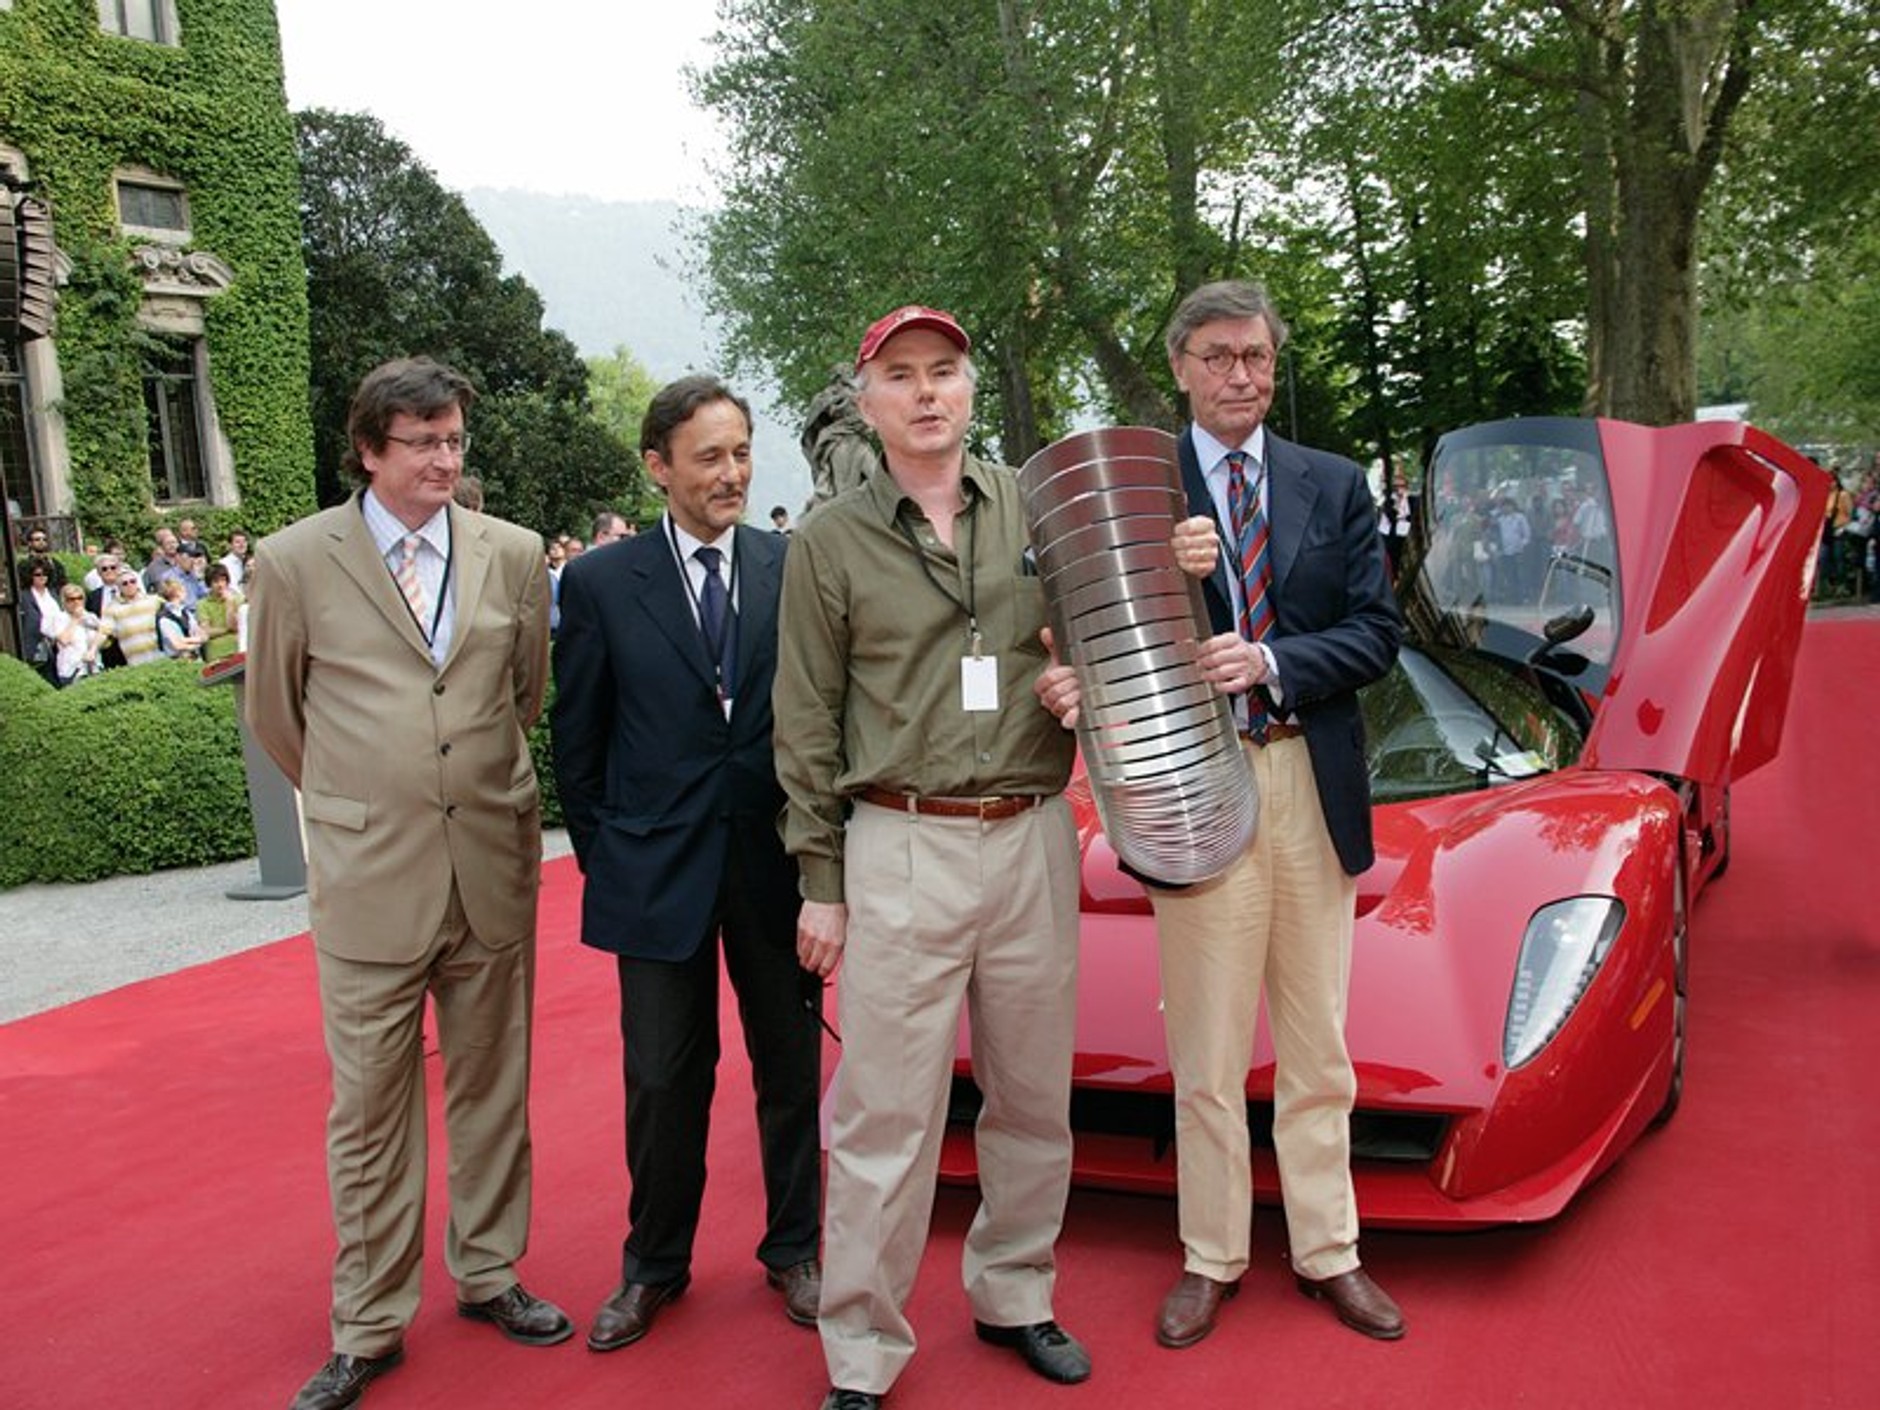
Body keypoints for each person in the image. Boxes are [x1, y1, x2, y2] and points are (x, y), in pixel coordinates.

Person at [1042, 280, 1405, 1350]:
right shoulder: (1136, 490)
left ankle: (1328, 1250)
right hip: (1184, 782)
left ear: (1269, 362)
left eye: (1253, 356)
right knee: (1202, 1051)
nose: (1238, 374)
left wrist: (1272, 659)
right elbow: (1083, 626)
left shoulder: (1330, 483)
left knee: (1317, 1047)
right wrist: (1102, 645)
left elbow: (1376, 635)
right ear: (1181, 368)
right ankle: (1210, 1256)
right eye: (1215, 357)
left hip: (1304, 775)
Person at [777, 305, 1104, 1410]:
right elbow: (805, 723)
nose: (927, 393)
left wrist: (1082, 689)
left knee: (1029, 1095)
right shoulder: (827, 539)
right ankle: (861, 1349)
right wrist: (819, 882)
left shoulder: (1039, 505)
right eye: (901, 376)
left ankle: (1016, 1291)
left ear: (970, 390)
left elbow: (1101, 641)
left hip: (1029, 837)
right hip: (897, 840)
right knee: (883, 1111)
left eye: (945, 373)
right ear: (863, 402)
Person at [246, 356, 568, 1410]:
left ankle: (487, 1275)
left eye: (454, 439)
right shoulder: (294, 562)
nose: (445, 458)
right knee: (370, 1109)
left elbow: (521, 695)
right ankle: (368, 1321)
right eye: (423, 440)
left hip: (488, 861)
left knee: (492, 1091)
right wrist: (361, 799)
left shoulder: (514, 554)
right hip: (368, 878)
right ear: (369, 449)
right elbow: (278, 718)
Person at [552, 374, 824, 1352]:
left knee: (789, 1070)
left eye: (741, 452)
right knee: (664, 1078)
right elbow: (574, 747)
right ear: (657, 466)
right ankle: (652, 1265)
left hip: (774, 868)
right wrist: (611, 858)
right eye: (708, 457)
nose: (731, 474)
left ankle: (796, 1249)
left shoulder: (791, 565)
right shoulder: (596, 584)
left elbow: (820, 718)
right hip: (652, 876)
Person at [100, 567, 162, 666]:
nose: (129, 585)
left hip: (160, 656)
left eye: (132, 581)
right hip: (135, 662)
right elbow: (103, 632)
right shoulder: (112, 608)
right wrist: (92, 649)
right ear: (119, 587)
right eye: (124, 583)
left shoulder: (154, 600)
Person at [196, 561, 243, 663]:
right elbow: (207, 631)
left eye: (223, 580)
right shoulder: (202, 604)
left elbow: (235, 627)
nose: (220, 585)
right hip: (216, 651)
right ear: (209, 583)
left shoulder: (237, 599)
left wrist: (230, 604)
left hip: (237, 646)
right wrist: (227, 629)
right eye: (216, 581)